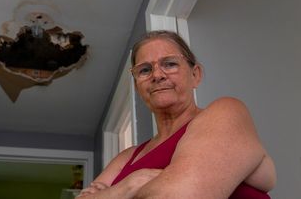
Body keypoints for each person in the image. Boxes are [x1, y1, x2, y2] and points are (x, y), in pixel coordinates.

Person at [76, 30, 276, 199]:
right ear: (137, 86)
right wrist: (128, 186)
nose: (157, 75)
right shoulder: (127, 157)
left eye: (170, 64)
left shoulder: (227, 112)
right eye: (145, 70)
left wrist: (109, 194)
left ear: (195, 74)